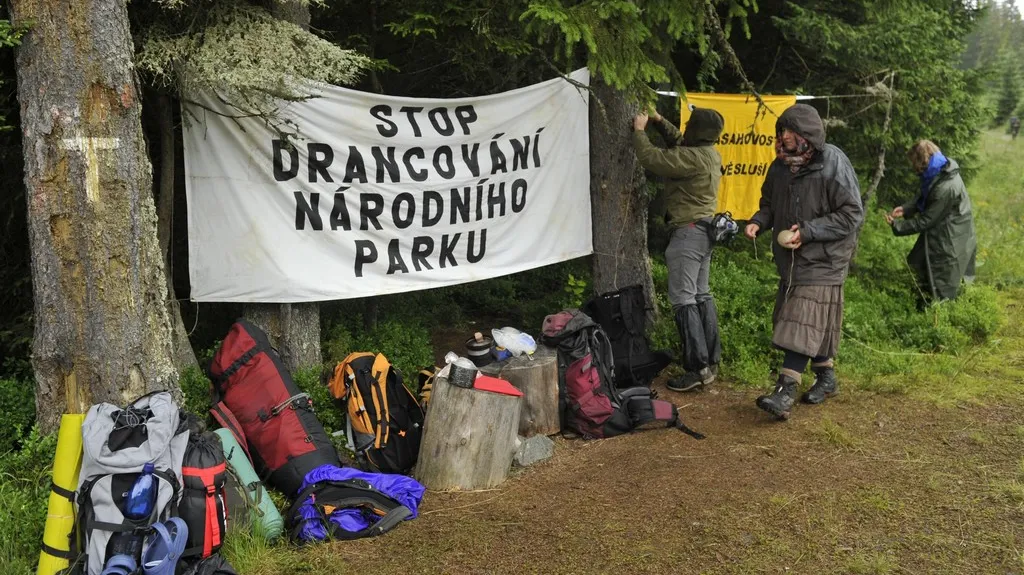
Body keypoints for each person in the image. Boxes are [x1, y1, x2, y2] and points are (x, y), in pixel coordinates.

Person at [744, 104, 863, 421]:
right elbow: (769, 203)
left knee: (800, 317)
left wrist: (809, 232)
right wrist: (758, 221)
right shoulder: (780, 166)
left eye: (789, 131)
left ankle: (785, 391)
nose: (783, 137)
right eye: (781, 131)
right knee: (807, 319)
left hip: (826, 256)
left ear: (807, 135)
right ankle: (826, 378)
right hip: (792, 259)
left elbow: (851, 214)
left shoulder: (833, 162)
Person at [632, 106, 725, 392]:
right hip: (704, 232)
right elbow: (679, 142)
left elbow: (652, 158)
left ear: (696, 130)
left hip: (688, 235)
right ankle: (710, 361)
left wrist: (638, 131)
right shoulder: (709, 153)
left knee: (684, 301)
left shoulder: (692, 158)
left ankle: (697, 368)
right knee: (700, 295)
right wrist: (658, 121)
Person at [886, 140, 977, 304]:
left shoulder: (946, 187)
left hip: (951, 234)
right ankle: (918, 304)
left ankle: (937, 316)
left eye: (914, 163)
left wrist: (897, 226)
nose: (914, 168)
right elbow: (926, 196)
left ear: (922, 161)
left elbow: (926, 220)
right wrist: (906, 209)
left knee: (942, 277)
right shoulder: (938, 171)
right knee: (916, 263)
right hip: (943, 226)